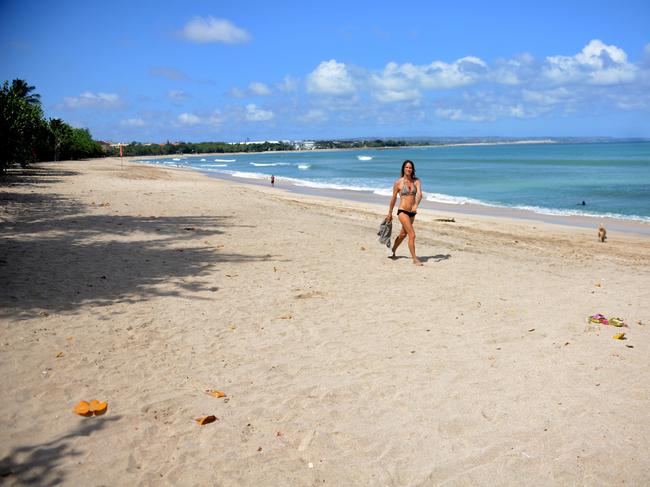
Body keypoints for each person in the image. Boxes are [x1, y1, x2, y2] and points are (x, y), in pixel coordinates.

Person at [386, 160, 423, 265]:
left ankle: (392, 250)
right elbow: (393, 198)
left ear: (412, 169)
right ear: (403, 169)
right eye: (406, 167)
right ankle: (415, 259)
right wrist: (389, 213)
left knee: (403, 234)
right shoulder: (398, 182)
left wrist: (416, 205)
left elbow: (420, 194)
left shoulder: (416, 181)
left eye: (410, 168)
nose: (408, 169)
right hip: (402, 211)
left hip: (412, 212)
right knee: (412, 234)